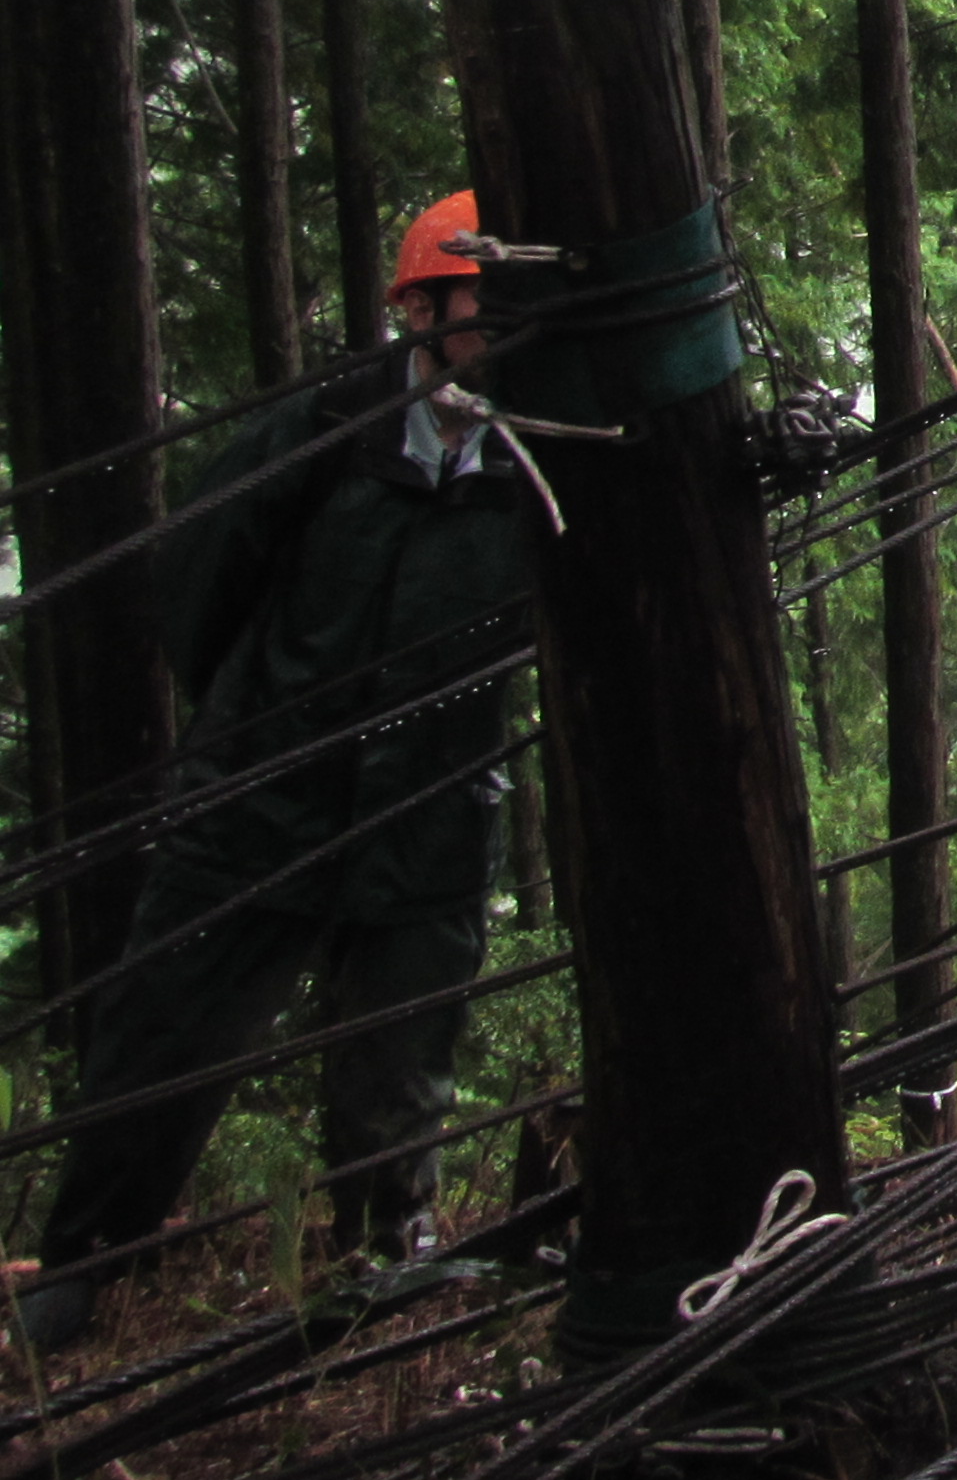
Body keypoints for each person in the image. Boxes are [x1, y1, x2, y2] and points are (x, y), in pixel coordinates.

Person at [11, 192, 553, 1356]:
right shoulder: (321, 433)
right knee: (167, 1032)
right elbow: (199, 574)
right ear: (421, 307)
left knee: (402, 1060)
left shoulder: (543, 464)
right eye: (476, 302)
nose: (496, 327)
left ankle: (377, 1269)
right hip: (259, 794)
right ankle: (84, 1264)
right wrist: (248, 725)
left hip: (431, 815)